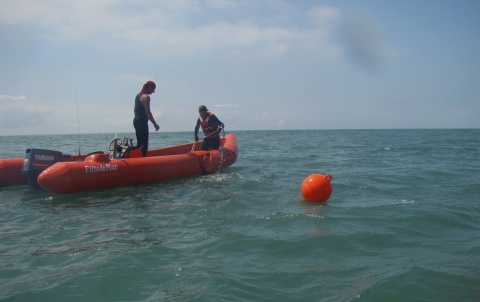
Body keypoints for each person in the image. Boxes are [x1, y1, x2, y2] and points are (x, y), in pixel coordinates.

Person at [133, 81, 160, 157]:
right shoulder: (146, 97)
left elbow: (135, 109)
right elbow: (148, 112)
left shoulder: (137, 96)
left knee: (139, 144)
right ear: (149, 87)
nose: (154, 91)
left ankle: (135, 159)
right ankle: (142, 160)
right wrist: (155, 124)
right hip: (142, 122)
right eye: (153, 89)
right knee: (144, 145)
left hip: (136, 121)